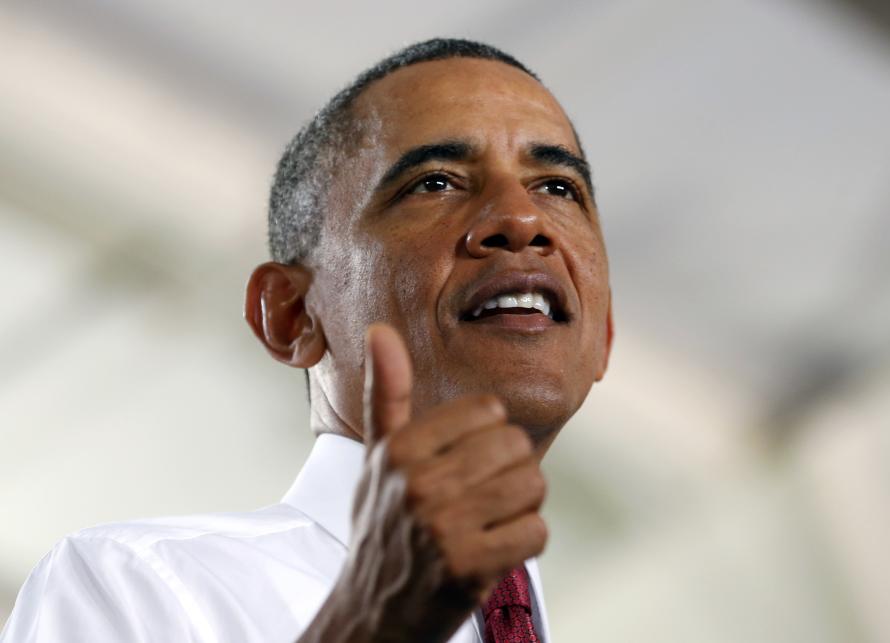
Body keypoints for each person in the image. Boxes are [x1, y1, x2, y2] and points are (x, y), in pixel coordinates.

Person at [0, 38, 613, 643]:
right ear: (290, 315)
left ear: (604, 334)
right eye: (435, 182)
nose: (522, 220)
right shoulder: (138, 587)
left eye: (558, 188)